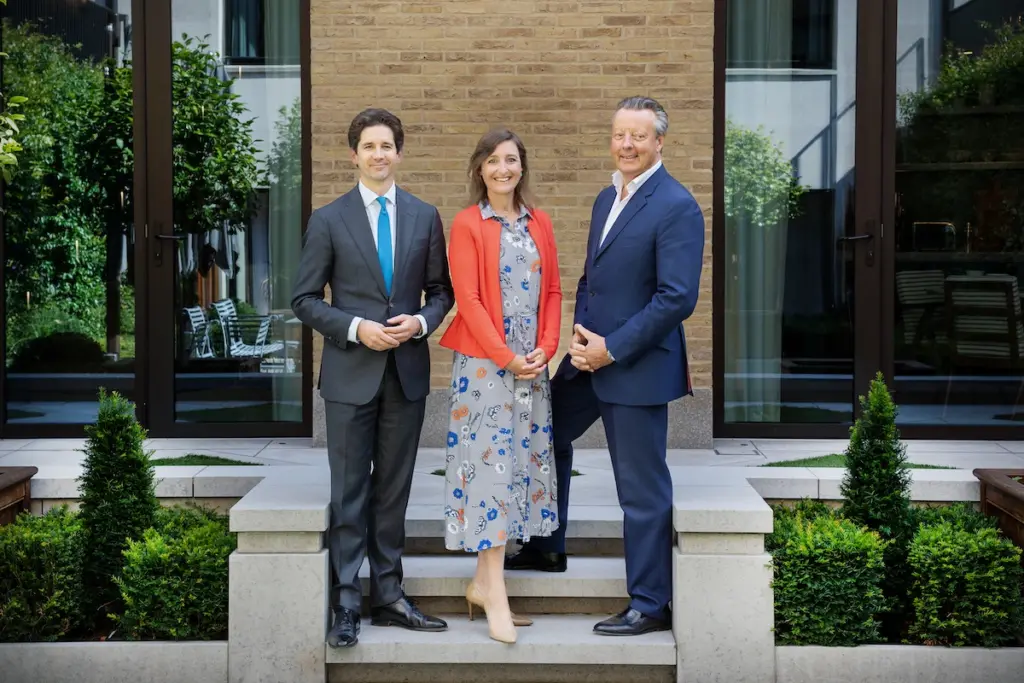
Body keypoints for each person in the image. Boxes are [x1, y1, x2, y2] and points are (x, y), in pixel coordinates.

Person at [504, 96, 705, 636]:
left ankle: (650, 603)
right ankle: (547, 546)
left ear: (660, 141)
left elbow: (676, 298)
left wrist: (611, 348)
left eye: (639, 136)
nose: (628, 145)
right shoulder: (605, 196)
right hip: (585, 358)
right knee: (545, 434)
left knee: (640, 490)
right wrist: (579, 335)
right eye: (620, 135)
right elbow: (595, 277)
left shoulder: (677, 205)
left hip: (634, 366)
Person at [291, 107, 455, 648]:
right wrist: (357, 327)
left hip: (405, 374)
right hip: (348, 375)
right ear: (354, 154)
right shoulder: (328, 219)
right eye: (369, 146)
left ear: (399, 153)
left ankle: (388, 595)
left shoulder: (424, 215)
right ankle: (345, 602)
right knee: (349, 491)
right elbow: (304, 300)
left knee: (393, 491)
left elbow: (442, 291)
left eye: (387, 146)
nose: (379, 155)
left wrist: (423, 322)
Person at [438, 128, 563, 644]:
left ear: (521, 167)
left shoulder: (541, 222)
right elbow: (468, 300)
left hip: (531, 368)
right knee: (489, 470)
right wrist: (507, 356)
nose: (503, 169)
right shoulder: (468, 224)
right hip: (486, 369)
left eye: (510, 160)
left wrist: (546, 347)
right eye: (493, 161)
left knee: (517, 469)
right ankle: (494, 594)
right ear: (480, 170)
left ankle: (485, 584)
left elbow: (554, 290)